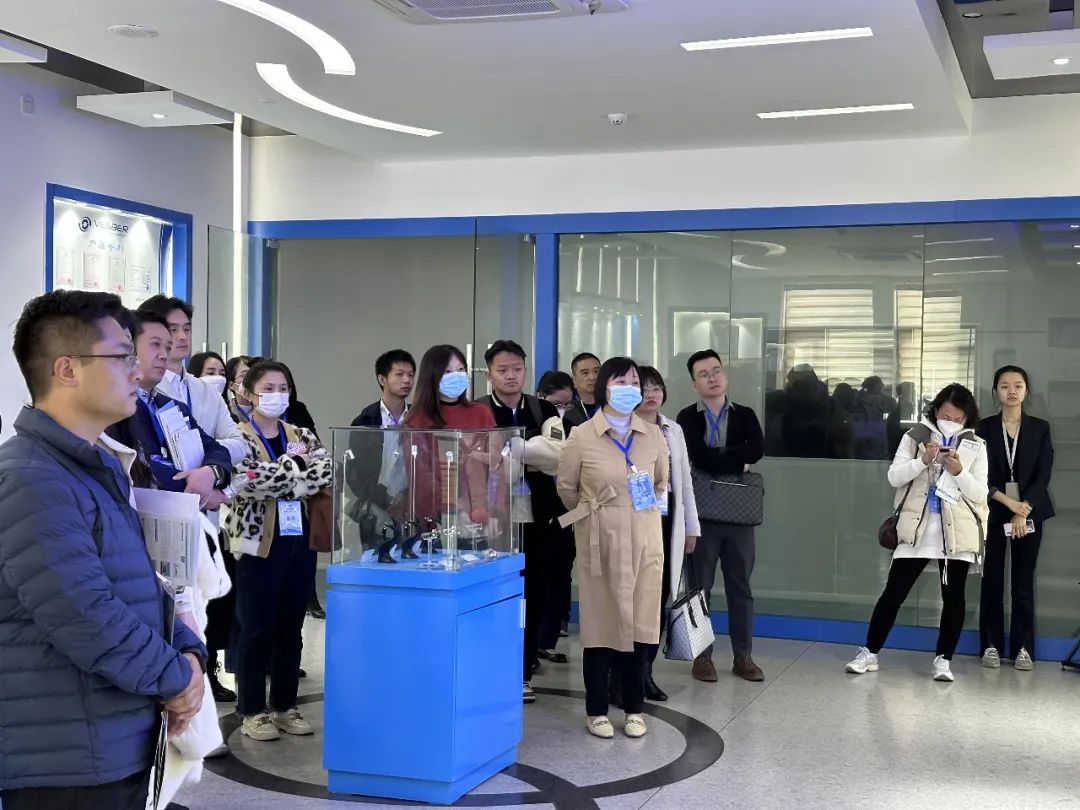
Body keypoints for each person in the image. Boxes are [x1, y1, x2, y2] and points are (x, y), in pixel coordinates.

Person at [0, 291, 206, 809]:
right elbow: (85, 616)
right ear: (67, 369)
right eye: (121, 357)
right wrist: (177, 676)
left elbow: (141, 588)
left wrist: (189, 650)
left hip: (109, 742)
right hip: (66, 761)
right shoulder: (31, 477)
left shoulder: (92, 468)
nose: (137, 371)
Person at [846, 383, 989, 682]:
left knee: (954, 598)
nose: (951, 421)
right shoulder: (914, 437)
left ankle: (943, 660)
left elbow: (979, 493)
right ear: (935, 411)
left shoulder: (976, 445)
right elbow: (894, 477)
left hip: (956, 531)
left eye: (958, 418)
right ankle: (869, 652)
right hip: (916, 529)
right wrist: (922, 461)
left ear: (967, 418)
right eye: (946, 415)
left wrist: (958, 471)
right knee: (893, 593)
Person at [557, 357, 668, 740]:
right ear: (604, 387)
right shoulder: (582, 435)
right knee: (600, 626)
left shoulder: (652, 434)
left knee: (639, 624)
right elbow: (567, 488)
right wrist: (597, 512)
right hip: (600, 538)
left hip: (643, 537)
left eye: (634, 381)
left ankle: (634, 707)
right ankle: (597, 709)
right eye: (621, 381)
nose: (629, 388)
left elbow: (659, 482)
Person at [223, 361, 332, 742]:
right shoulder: (237, 437)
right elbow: (248, 481)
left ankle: (286, 706)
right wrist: (294, 468)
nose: (278, 395)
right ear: (249, 394)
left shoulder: (299, 433)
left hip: (298, 541)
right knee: (256, 628)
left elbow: (323, 472)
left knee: (291, 627)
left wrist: (284, 474)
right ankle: (252, 709)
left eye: (283, 388)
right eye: (268, 388)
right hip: (258, 544)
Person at [477, 340, 563, 705]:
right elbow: (480, 461)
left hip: (540, 518)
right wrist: (531, 453)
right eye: (502, 370)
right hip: (494, 519)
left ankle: (524, 672)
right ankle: (492, 670)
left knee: (534, 594)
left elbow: (558, 456)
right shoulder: (479, 411)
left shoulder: (543, 408)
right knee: (495, 594)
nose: (511, 376)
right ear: (489, 375)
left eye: (517, 369)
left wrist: (510, 452)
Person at [676, 350, 765, 683]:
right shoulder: (687, 417)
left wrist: (719, 457)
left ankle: (744, 656)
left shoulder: (745, 414)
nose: (712, 378)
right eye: (703, 374)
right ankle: (702, 656)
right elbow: (698, 456)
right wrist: (736, 461)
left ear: (725, 375)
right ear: (694, 384)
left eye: (716, 371)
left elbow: (756, 449)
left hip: (739, 514)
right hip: (703, 514)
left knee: (741, 586)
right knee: (700, 587)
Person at [977, 365, 1055, 670]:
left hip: (1030, 512)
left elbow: (1043, 474)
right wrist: (1010, 503)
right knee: (992, 580)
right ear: (995, 391)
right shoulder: (983, 428)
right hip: (993, 511)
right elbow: (978, 475)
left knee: (1023, 582)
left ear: (1026, 391)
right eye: (1005, 385)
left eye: (1018, 385)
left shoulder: (1040, 428)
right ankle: (991, 645)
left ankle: (1023, 648)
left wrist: (1024, 508)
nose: (1011, 391)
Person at [635, 366, 699, 702]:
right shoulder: (624, 427)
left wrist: (691, 527)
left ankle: (645, 672)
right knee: (634, 599)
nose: (651, 394)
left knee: (659, 598)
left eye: (657, 387)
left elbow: (685, 482)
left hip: (668, 519)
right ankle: (623, 674)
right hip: (634, 522)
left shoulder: (672, 429)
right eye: (644, 388)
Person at [535, 369, 577, 651]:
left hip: (566, 513)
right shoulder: (533, 423)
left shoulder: (574, 429)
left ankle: (550, 637)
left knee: (562, 574)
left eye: (567, 404)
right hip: (539, 510)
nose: (562, 409)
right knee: (540, 575)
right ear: (541, 396)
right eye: (556, 403)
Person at [351, 349, 416, 428]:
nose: (407, 380)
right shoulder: (364, 420)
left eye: (411, 375)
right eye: (399, 374)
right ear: (382, 380)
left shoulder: (419, 416)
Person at [563, 352, 602, 434]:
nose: (592, 377)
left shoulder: (612, 407)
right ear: (574, 380)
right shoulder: (565, 412)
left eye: (596, 371)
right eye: (585, 373)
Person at [225, 355, 253, 421]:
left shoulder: (267, 410)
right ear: (231, 385)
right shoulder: (225, 413)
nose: (252, 379)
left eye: (255, 374)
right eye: (245, 375)